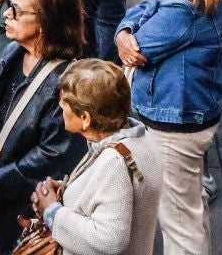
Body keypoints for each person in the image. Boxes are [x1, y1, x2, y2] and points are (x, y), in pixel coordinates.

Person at [114, 0, 222, 255]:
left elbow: (142, 44)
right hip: (191, 114)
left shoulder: (185, 5)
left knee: (178, 222)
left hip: (174, 123)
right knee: (189, 206)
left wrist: (126, 36)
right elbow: (140, 13)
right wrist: (125, 31)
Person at [0, 0, 88, 255]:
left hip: (27, 208)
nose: (6, 14)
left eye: (17, 10)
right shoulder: (12, 54)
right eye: (10, 4)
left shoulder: (65, 81)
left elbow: (49, 157)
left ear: (45, 23)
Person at [31, 59, 165, 255]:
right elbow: (111, 197)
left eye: (64, 103)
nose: (60, 108)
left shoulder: (115, 163)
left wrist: (52, 211)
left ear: (85, 118)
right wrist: (65, 190)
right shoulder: (140, 138)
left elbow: (110, 240)